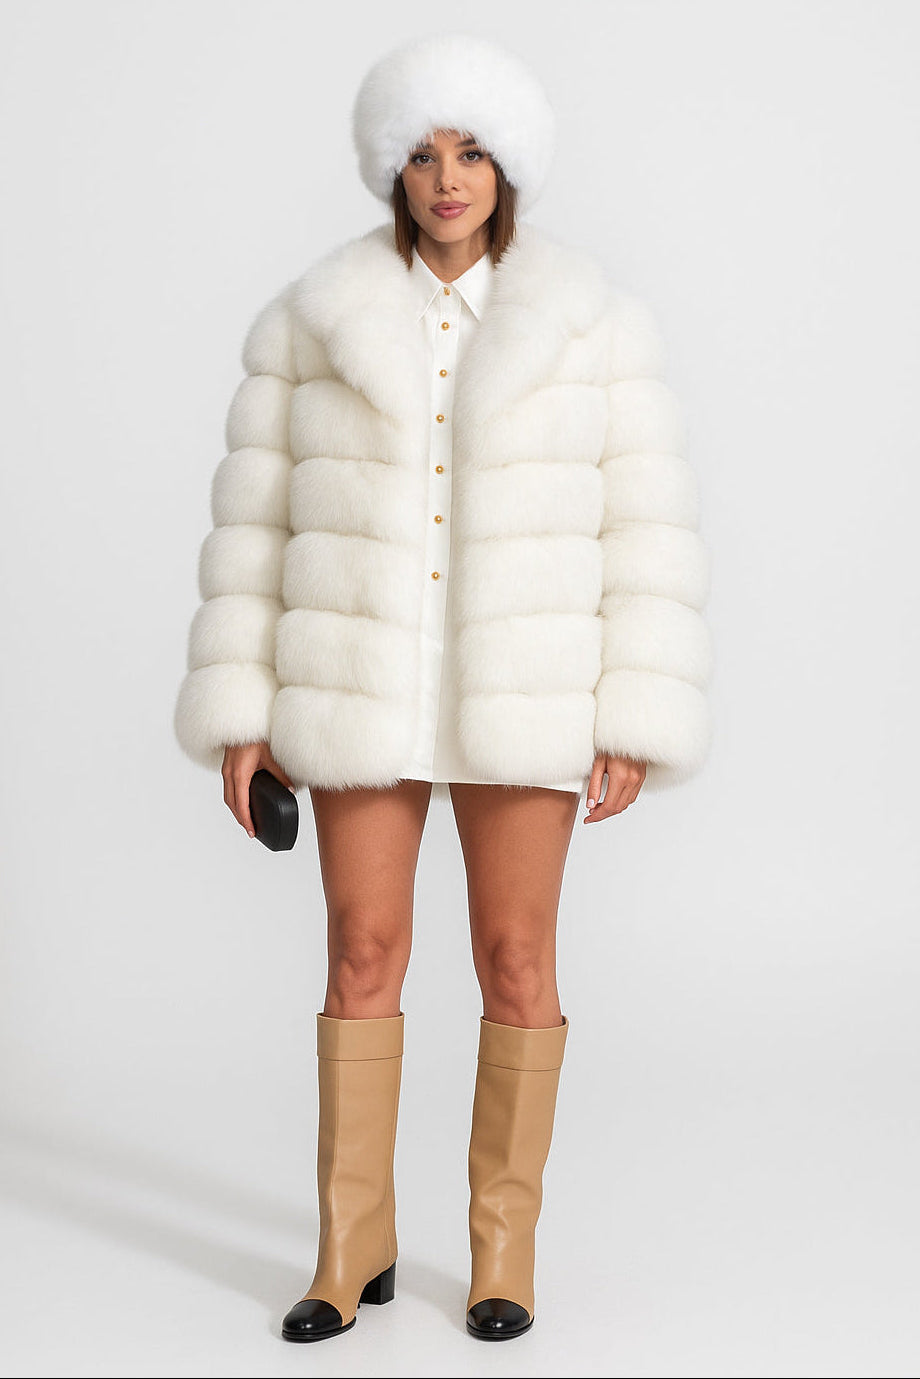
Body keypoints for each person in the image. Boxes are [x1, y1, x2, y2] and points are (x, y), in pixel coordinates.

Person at [173, 32, 712, 1344]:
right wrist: (241, 712)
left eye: (471, 151)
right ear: (391, 170)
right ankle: (348, 1246)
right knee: (361, 952)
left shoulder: (592, 325)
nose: (448, 177)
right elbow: (255, 529)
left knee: (517, 959)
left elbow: (643, 530)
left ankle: (501, 1251)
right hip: (358, 686)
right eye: (422, 154)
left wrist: (633, 713)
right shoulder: (311, 322)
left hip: (523, 692)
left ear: (508, 164)